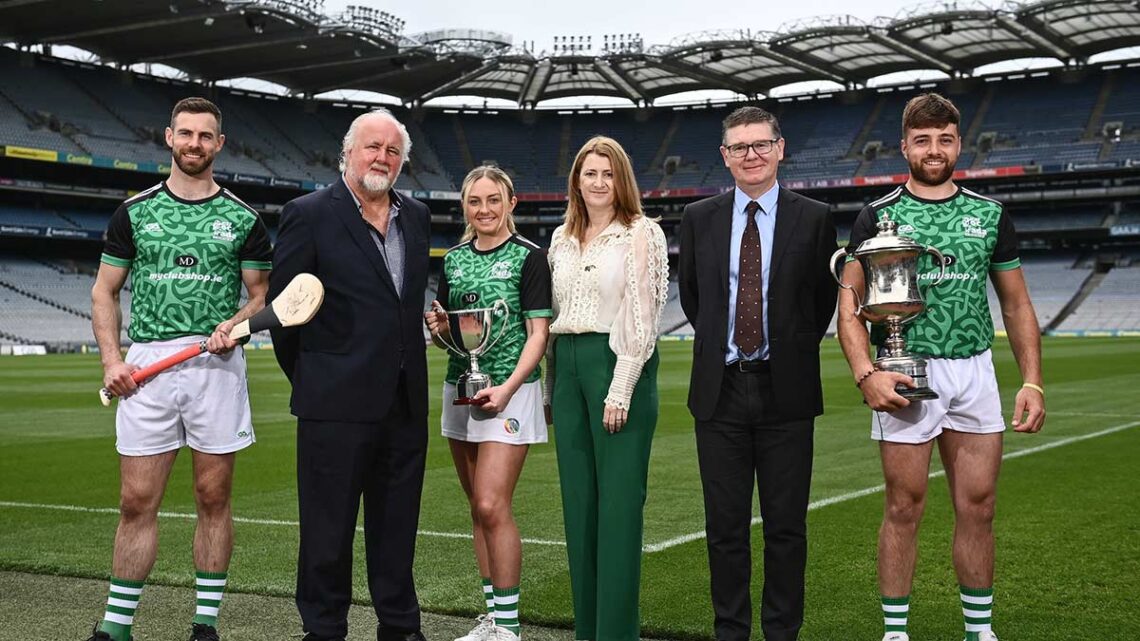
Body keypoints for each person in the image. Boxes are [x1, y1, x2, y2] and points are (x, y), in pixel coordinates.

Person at [836, 93, 1046, 641]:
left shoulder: (990, 214)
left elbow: (1017, 304)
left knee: (978, 505)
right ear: (904, 146)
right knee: (903, 505)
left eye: (945, 139)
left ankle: (980, 630)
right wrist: (867, 373)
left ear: (959, 144)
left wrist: (1031, 380)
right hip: (905, 370)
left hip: (974, 372)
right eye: (923, 140)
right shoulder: (876, 217)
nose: (934, 150)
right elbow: (850, 307)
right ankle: (895, 634)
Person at [88, 96, 272, 641]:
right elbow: (104, 291)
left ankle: (205, 624)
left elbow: (261, 297)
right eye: (185, 133)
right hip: (147, 364)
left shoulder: (243, 218)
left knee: (212, 498)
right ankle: (116, 627)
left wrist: (234, 325)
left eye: (205, 135)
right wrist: (112, 360)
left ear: (219, 144)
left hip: (216, 366)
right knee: (135, 500)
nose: (194, 143)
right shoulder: (134, 212)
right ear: (169, 137)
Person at [268, 108, 432, 641]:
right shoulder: (308, 213)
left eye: (391, 150)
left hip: (404, 404)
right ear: (348, 153)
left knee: (398, 529)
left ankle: (400, 626)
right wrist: (318, 379)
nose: (381, 157)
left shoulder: (419, 215)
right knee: (326, 532)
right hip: (333, 404)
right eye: (372, 146)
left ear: (402, 160)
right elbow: (285, 314)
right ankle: (323, 630)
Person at [677, 106, 838, 641]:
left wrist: (784, 353)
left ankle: (782, 633)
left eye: (760, 145)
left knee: (786, 528)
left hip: (785, 391)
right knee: (724, 530)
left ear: (780, 148)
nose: (751, 155)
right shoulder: (698, 218)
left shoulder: (814, 218)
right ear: (725, 157)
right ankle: (730, 631)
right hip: (719, 391)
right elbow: (696, 300)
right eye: (739, 147)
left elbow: (820, 304)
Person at [545, 135, 669, 641]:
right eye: (589, 173)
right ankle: (588, 632)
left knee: (618, 510)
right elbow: (555, 318)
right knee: (579, 508)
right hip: (569, 367)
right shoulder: (560, 238)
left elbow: (642, 315)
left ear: (622, 181)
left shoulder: (642, 232)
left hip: (618, 365)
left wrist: (620, 389)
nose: (598, 182)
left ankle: (617, 634)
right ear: (576, 179)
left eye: (608, 174)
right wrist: (554, 389)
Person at [424, 165, 552, 641]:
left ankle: (509, 627)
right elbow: (450, 338)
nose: (484, 210)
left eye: (493, 200)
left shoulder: (530, 257)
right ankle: (492, 618)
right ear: (465, 207)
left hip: (510, 394)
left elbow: (538, 334)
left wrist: (509, 388)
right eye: (475, 202)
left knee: (491, 502)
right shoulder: (453, 259)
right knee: (476, 509)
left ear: (511, 203)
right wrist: (437, 331)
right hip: (461, 387)